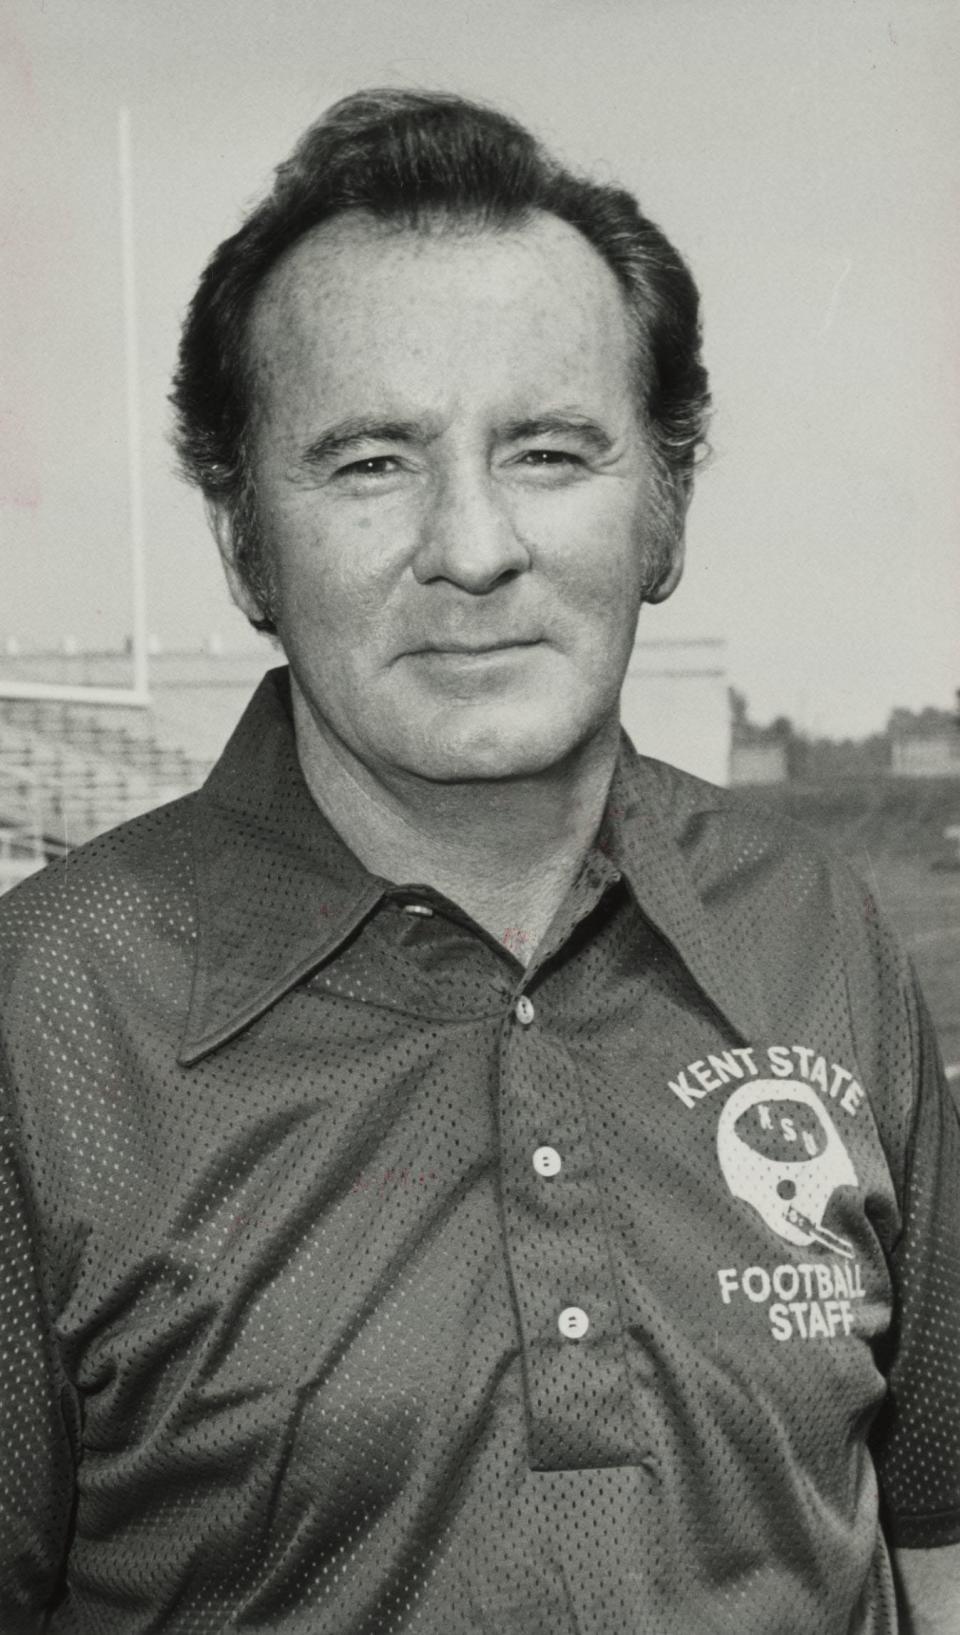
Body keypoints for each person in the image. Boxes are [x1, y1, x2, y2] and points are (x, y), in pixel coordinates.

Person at [1, 88, 958, 1635]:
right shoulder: (45, 1015)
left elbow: (936, 1540)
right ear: (244, 541)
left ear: (667, 505)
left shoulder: (819, 934)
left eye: (552, 451)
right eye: (370, 462)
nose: (472, 545)